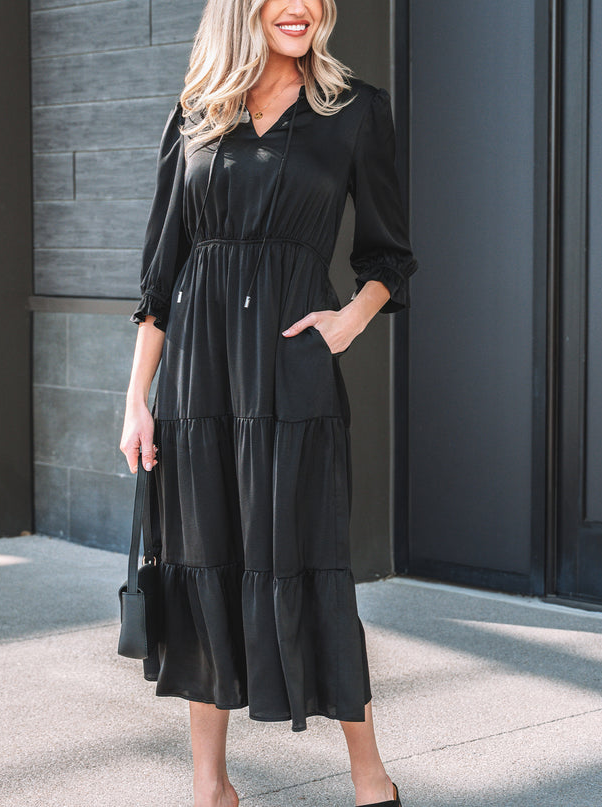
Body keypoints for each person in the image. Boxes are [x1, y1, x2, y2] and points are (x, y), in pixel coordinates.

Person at [120, 1, 418, 805]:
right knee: (202, 559)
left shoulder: (355, 109)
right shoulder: (195, 111)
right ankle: (210, 787)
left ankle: (369, 778)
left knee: (311, 555)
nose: (300, 6)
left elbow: (388, 252)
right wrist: (136, 401)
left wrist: (346, 324)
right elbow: (160, 274)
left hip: (291, 376)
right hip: (196, 380)